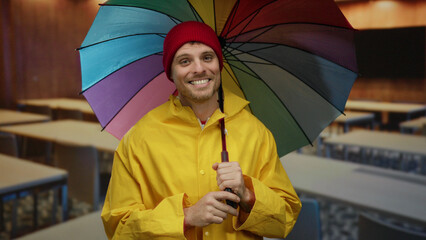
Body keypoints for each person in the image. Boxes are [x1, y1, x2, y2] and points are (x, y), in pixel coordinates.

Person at [101, 21, 301, 240]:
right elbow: (118, 227)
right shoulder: (138, 139)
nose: (199, 69)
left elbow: (285, 219)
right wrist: (185, 217)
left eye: (207, 57)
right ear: (170, 72)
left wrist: (248, 195)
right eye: (185, 61)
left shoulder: (256, 132)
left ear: (219, 64)